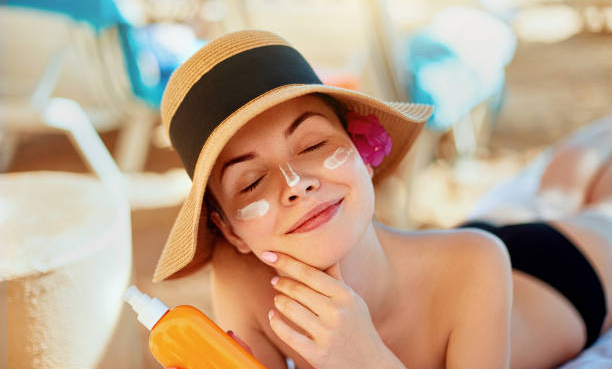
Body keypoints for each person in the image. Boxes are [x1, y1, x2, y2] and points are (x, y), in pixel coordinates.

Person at [154, 30, 611, 369]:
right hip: (457, 261)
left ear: (361, 151)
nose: (295, 183)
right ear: (231, 231)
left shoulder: (476, 262)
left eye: (313, 145)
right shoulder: (243, 280)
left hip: (567, 275)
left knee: (583, 176)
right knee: (562, 184)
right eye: (251, 182)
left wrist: (367, 359)